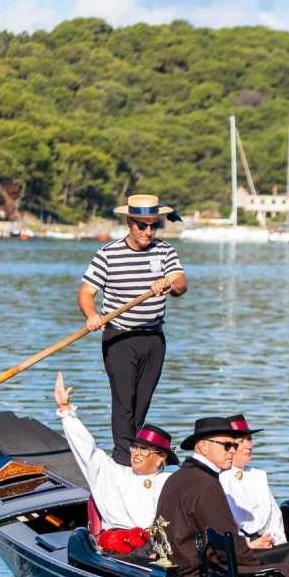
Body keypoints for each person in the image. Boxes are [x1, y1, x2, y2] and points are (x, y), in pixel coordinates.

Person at [79, 193, 187, 465]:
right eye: (142, 225)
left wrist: (168, 283)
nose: (148, 231)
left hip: (153, 339)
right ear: (129, 222)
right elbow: (86, 293)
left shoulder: (165, 251)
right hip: (119, 337)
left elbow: (181, 284)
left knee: (142, 403)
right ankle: (123, 459)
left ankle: (136, 456)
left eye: (154, 225)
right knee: (124, 400)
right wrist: (93, 315)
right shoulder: (108, 254)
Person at [154, 417, 289, 577]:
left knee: (281, 559)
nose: (232, 451)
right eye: (226, 445)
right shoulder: (205, 485)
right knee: (288, 574)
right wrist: (261, 566)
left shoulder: (178, 477)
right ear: (203, 446)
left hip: (177, 572)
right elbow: (227, 545)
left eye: (234, 446)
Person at [54, 370, 176, 530]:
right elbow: (86, 449)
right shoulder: (111, 472)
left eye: (145, 449)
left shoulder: (173, 477)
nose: (137, 453)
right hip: (116, 545)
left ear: (161, 457)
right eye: (135, 447)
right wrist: (65, 409)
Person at [219, 414, 287, 546]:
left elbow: (275, 518)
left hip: (269, 544)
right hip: (241, 550)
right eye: (241, 441)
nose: (249, 445)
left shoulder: (258, 476)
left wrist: (272, 538)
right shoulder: (219, 479)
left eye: (249, 439)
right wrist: (251, 545)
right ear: (229, 447)